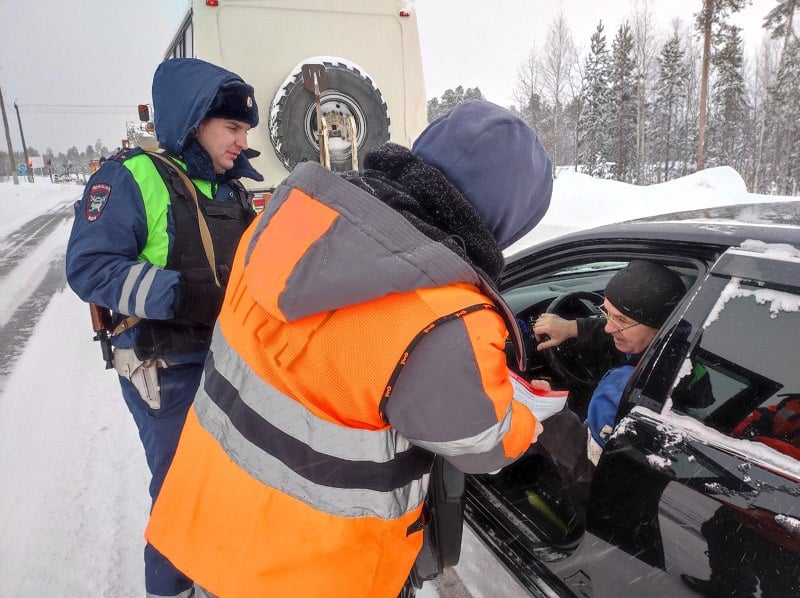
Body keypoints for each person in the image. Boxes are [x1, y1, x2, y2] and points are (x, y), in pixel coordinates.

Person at [145, 100, 553, 597]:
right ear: (506, 220)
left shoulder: (286, 219)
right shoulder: (447, 319)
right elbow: (483, 443)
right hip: (317, 573)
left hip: (212, 525)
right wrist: (537, 406)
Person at [65, 57, 262, 598]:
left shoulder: (232, 190)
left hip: (226, 359)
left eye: (246, 130)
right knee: (184, 489)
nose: (242, 142)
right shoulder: (132, 178)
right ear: (195, 119)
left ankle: (218, 576)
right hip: (163, 363)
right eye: (232, 128)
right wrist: (181, 295)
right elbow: (89, 269)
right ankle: (172, 589)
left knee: (236, 482)